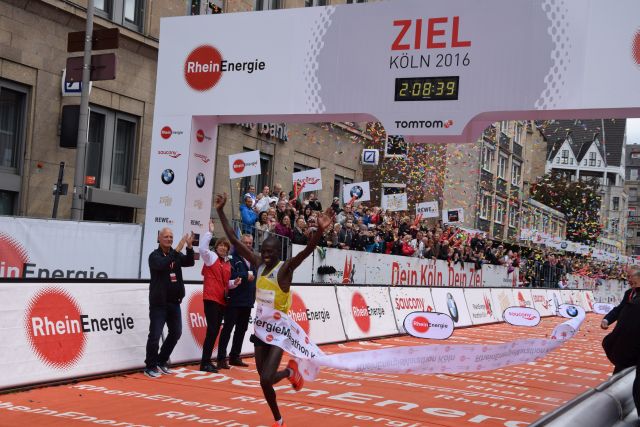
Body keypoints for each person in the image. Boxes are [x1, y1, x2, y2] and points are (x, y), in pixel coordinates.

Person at [215, 192, 332, 427]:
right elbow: (234, 241)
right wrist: (220, 211)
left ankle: (280, 419)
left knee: (266, 379)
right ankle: (288, 381)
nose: (266, 255)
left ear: (278, 253)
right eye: (264, 251)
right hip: (260, 330)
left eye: (270, 253)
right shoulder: (258, 263)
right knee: (264, 380)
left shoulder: (285, 269)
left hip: (279, 332)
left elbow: (306, 252)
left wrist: (319, 231)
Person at [144, 227, 194, 378]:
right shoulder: (154, 256)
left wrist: (189, 247)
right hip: (159, 303)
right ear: (159, 239)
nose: (169, 239)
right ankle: (150, 366)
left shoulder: (175, 254)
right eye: (166, 236)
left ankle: (161, 361)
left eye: (171, 237)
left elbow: (190, 262)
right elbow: (162, 264)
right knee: (155, 335)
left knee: (176, 332)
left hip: (174, 302)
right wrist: (177, 250)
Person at [198, 220, 241, 373]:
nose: (223, 248)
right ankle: (205, 362)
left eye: (225, 246)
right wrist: (210, 232)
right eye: (221, 245)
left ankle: (207, 361)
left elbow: (225, 284)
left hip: (221, 300)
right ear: (216, 247)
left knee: (214, 331)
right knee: (212, 330)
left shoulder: (227, 263)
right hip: (211, 298)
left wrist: (234, 283)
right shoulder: (211, 257)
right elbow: (202, 249)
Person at [601, 266, 640, 417]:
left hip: (633, 339)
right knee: (620, 369)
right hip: (626, 340)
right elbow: (619, 309)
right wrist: (607, 319)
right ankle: (613, 397)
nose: (628, 280)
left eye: (630, 277)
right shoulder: (629, 293)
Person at [216, 233, 257, 368]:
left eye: (250, 243)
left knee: (241, 330)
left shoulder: (253, 259)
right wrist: (245, 275)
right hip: (234, 300)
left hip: (247, 301)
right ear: (240, 243)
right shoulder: (231, 257)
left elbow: (256, 278)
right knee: (228, 329)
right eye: (245, 242)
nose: (248, 245)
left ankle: (235, 356)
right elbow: (228, 275)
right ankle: (221, 358)